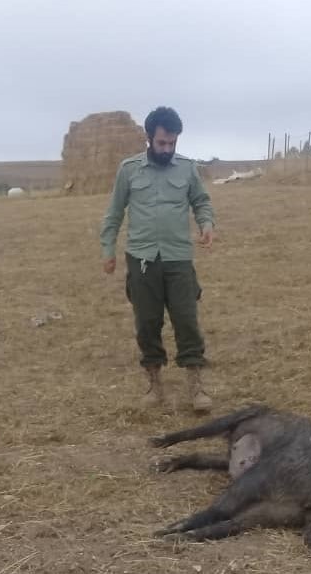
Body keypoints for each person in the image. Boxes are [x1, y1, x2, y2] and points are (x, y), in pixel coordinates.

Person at [100, 106, 216, 412]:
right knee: (147, 324)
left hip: (178, 259)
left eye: (172, 143)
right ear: (149, 137)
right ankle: (154, 384)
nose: (167, 149)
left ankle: (196, 387)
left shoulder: (187, 169)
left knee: (187, 321)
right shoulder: (128, 170)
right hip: (142, 261)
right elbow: (114, 213)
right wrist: (108, 250)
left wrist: (207, 225)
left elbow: (201, 202)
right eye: (162, 142)